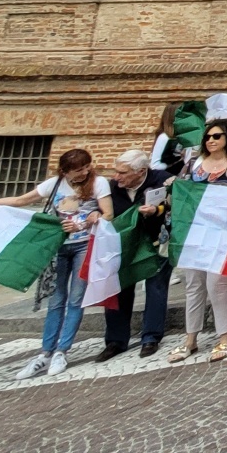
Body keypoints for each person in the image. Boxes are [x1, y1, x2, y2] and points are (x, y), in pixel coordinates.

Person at [0, 147, 113, 380]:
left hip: (83, 245)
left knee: (76, 299)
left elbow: (108, 213)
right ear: (65, 171)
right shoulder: (54, 184)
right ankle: (46, 352)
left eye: (87, 167)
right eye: (79, 170)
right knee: (56, 299)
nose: (84, 172)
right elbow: (21, 200)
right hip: (58, 246)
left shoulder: (99, 183)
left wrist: (88, 221)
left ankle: (62, 350)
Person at [170, 120, 227, 362]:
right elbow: (182, 196)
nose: (210, 140)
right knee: (193, 284)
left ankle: (225, 336)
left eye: (217, 136)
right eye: (208, 136)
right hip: (196, 232)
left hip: (223, 233)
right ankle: (190, 338)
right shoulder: (193, 165)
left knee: (216, 284)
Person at [100, 147, 171, 360]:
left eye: (122, 172)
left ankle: (151, 337)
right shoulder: (112, 188)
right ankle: (115, 340)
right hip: (125, 246)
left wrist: (157, 211)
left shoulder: (164, 180)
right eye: (116, 171)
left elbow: (176, 206)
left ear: (140, 172)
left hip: (157, 240)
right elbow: (100, 209)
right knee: (119, 287)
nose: (116, 177)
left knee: (156, 286)